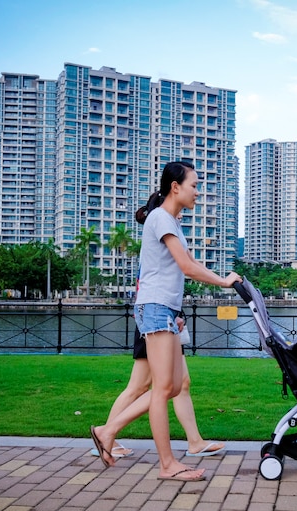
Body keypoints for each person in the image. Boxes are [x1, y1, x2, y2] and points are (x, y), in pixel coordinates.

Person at [131, 160, 240, 481]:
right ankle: (167, 465)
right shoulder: (161, 218)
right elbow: (186, 267)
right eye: (194, 185)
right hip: (154, 307)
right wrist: (224, 281)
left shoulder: (172, 222)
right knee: (163, 387)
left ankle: (109, 431)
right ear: (175, 187)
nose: (198, 192)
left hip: (165, 309)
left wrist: (178, 312)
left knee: (175, 385)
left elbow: (190, 262)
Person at [90, 322, 225, 467]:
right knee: (141, 386)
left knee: (181, 383)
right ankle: (107, 434)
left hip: (168, 322)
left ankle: (195, 441)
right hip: (156, 323)